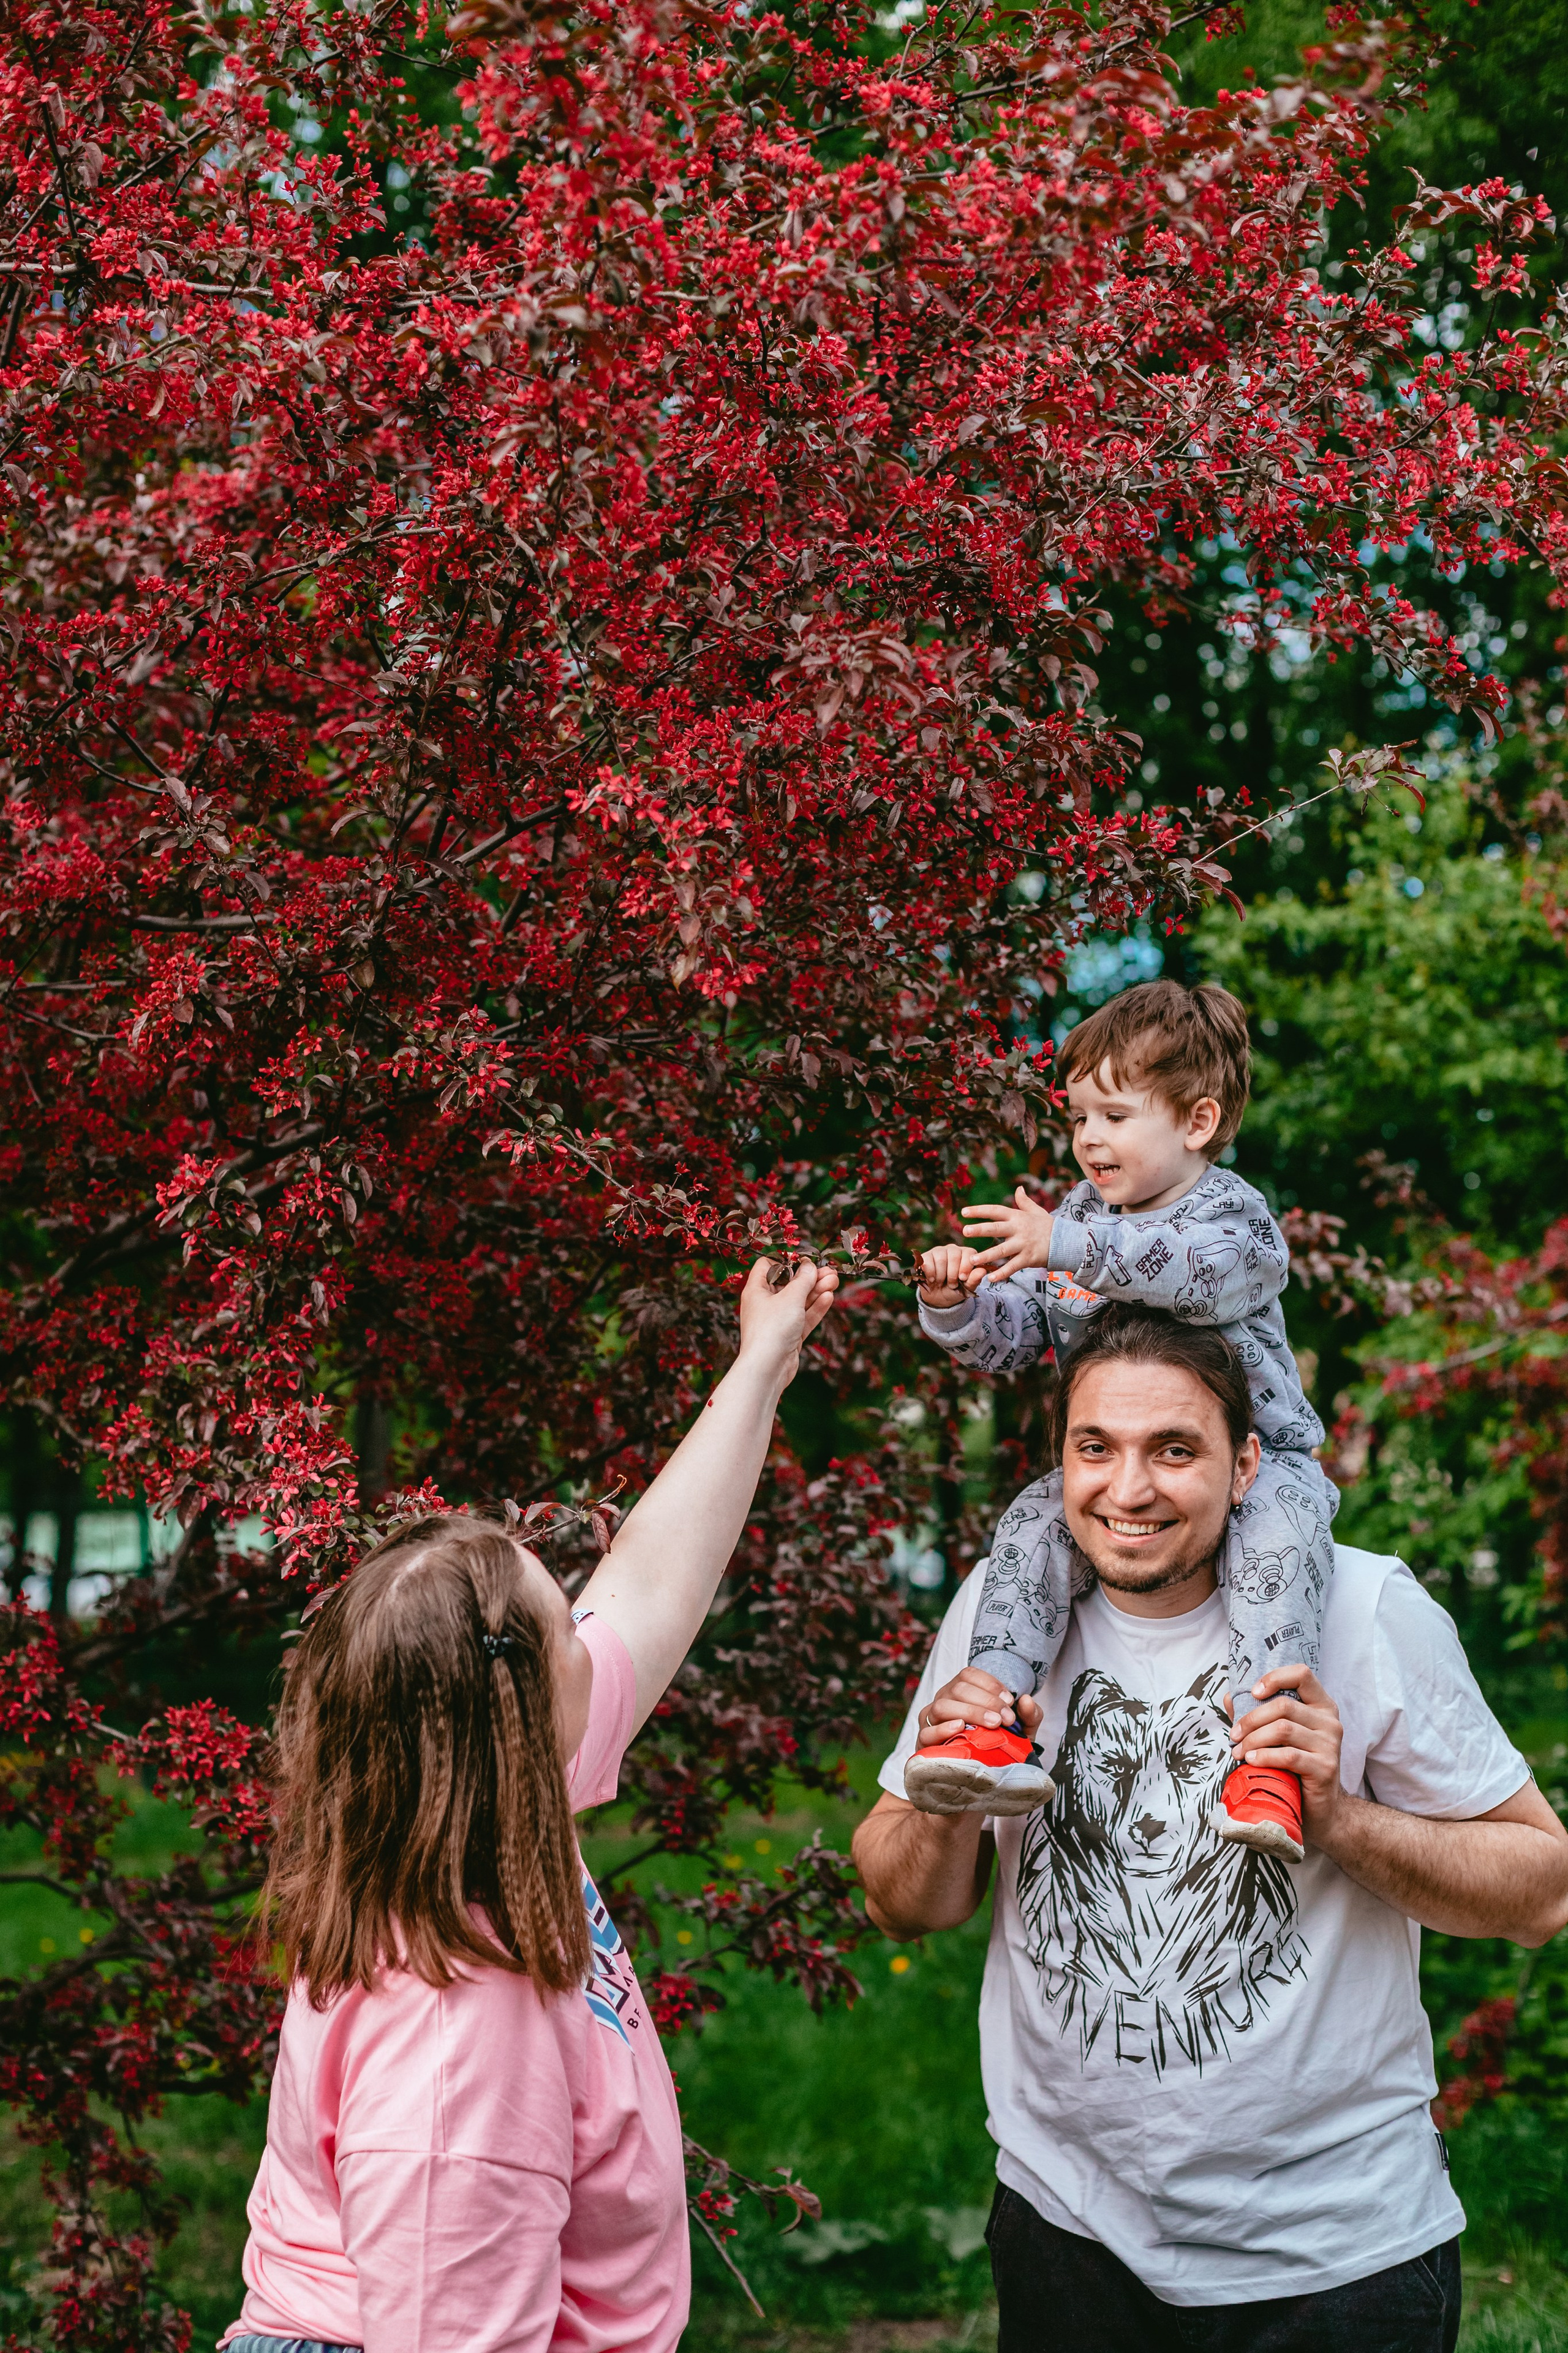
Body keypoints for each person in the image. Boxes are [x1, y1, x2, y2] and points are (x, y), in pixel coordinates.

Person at [854, 1303, 1568, 2352]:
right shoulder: (1005, 1615)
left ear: (1245, 1466)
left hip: (1338, 2258)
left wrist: (1335, 1816)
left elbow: (1545, 1889)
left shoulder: (1365, 1610)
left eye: (1174, 1449)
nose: (1128, 1488)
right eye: (1095, 1447)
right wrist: (946, 1795)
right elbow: (901, 1902)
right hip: (1067, 2232)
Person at [220, 1255, 838, 2353]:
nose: (592, 1638)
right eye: (567, 1627)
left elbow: (649, 1584)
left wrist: (761, 1366)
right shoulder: (454, 2065)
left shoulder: (462, 1801)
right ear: (515, 1717)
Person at [905, 978, 1332, 1862]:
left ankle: (1266, 1760)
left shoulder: (1233, 1219)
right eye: (1077, 1119)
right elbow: (1022, 1335)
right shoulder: (1074, 1219)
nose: (1089, 1138)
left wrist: (1065, 1244)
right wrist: (956, 1306)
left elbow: (1190, 1277)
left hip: (1262, 1467)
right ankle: (989, 1721)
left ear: (1198, 1121)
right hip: (1128, 1468)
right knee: (1031, 1521)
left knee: (1279, 1551)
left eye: (1114, 1114)